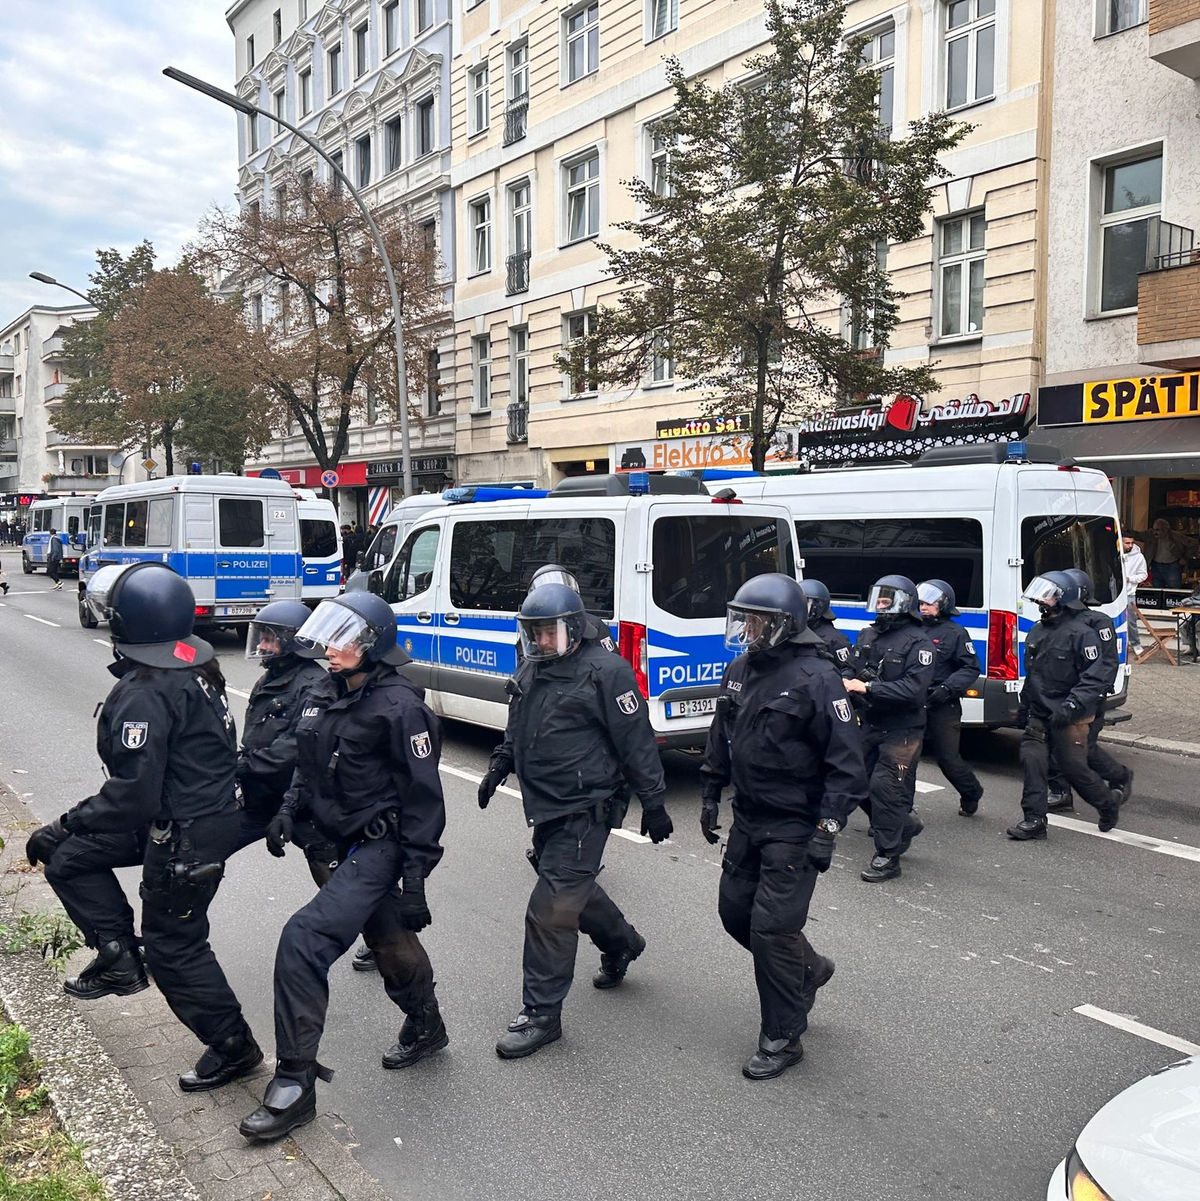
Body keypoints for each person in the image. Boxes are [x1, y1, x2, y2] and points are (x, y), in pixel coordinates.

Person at [24, 561, 260, 1093]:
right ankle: (117, 957)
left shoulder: (147, 691)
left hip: (184, 833)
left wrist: (65, 822)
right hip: (182, 817)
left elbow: (131, 796)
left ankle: (234, 1046)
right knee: (71, 859)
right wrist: (70, 836)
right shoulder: (193, 667)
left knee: (174, 946)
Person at [239, 592, 448, 1143]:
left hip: (379, 848)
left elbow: (425, 800)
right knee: (385, 939)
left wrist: (417, 878)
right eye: (329, 636)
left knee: (302, 941)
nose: (330, 649)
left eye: (344, 639)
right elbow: (308, 764)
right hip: (332, 841)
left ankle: (294, 1083)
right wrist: (287, 810)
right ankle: (427, 1024)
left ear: (373, 645)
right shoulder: (324, 693)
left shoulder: (401, 708)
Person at [478, 582, 673, 1060]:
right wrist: (501, 762)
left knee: (551, 907)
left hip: (588, 805)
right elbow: (518, 721)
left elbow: (636, 741)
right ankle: (622, 942)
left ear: (573, 628)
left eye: (549, 633)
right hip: (547, 802)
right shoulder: (533, 664)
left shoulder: (606, 671)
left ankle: (541, 1014)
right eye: (534, 633)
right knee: (566, 882)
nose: (540, 642)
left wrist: (654, 802)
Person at [700, 574, 867, 1080]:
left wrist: (828, 827)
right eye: (745, 620)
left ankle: (783, 1035)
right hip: (749, 818)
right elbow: (721, 733)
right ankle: (809, 970)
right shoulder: (740, 670)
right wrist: (710, 791)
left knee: (772, 929)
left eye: (759, 622)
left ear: (786, 626)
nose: (749, 630)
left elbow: (848, 765)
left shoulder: (818, 679)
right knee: (735, 914)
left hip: (795, 825)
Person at [1007, 572, 1122, 841]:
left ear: (1065, 598)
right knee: (1033, 763)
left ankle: (1107, 804)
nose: (1041, 600)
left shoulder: (1083, 634)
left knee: (1073, 768)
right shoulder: (1037, 631)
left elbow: (1094, 676)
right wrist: (1024, 707)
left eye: (1048, 594)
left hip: (1071, 715)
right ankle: (1034, 820)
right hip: (1041, 712)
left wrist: (1072, 704)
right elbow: (1033, 673)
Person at [844, 575, 935, 883]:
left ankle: (887, 854)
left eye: (887, 599)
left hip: (903, 728)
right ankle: (904, 826)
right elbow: (852, 668)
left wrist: (868, 688)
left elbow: (913, 688)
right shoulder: (867, 635)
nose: (880, 605)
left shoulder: (919, 642)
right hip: (870, 722)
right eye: (878, 598)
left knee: (885, 788)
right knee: (854, 781)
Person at [234, 601, 338, 851]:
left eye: (270, 640)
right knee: (205, 853)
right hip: (259, 798)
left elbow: (295, 747)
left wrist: (241, 766)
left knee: (330, 867)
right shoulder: (270, 678)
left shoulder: (314, 686)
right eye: (261, 638)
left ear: (294, 643)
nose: (261, 646)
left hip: (298, 803)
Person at [1044, 568, 1132, 813]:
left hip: (1087, 698)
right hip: (1061, 695)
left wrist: (1092, 695)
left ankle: (1120, 776)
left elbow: (1107, 663)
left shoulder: (1098, 621)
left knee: (1083, 747)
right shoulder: (1057, 621)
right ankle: (1060, 792)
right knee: (1056, 743)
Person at [917, 580, 984, 816]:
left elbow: (970, 668)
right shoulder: (912, 629)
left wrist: (947, 688)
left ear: (943, 604)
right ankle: (898, 812)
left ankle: (971, 792)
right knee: (906, 758)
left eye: (929, 603)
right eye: (921, 603)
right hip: (913, 701)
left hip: (942, 703)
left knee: (947, 759)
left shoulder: (955, 633)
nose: (923, 608)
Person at [800, 578, 856, 679]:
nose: (799, 608)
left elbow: (847, 670)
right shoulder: (794, 632)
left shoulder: (835, 639)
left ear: (818, 606)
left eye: (805, 603)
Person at [1136, 518, 1197, 589]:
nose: (1154, 532)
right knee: (1157, 590)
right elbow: (1137, 535)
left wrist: (1185, 557)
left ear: (1165, 530)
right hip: (1156, 566)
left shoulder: (1176, 537)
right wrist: (1124, 531)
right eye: (1154, 529)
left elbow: (1194, 543)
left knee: (1174, 590)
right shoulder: (1150, 535)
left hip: (1172, 566)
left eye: (1157, 530)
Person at [1122, 535, 1148, 655]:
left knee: (1131, 621)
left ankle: (1136, 644)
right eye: (1127, 543)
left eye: (1131, 543)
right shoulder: (1113, 553)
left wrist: (1130, 579)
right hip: (1114, 592)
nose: (1130, 545)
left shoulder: (1138, 556)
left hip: (1129, 592)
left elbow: (1144, 575)